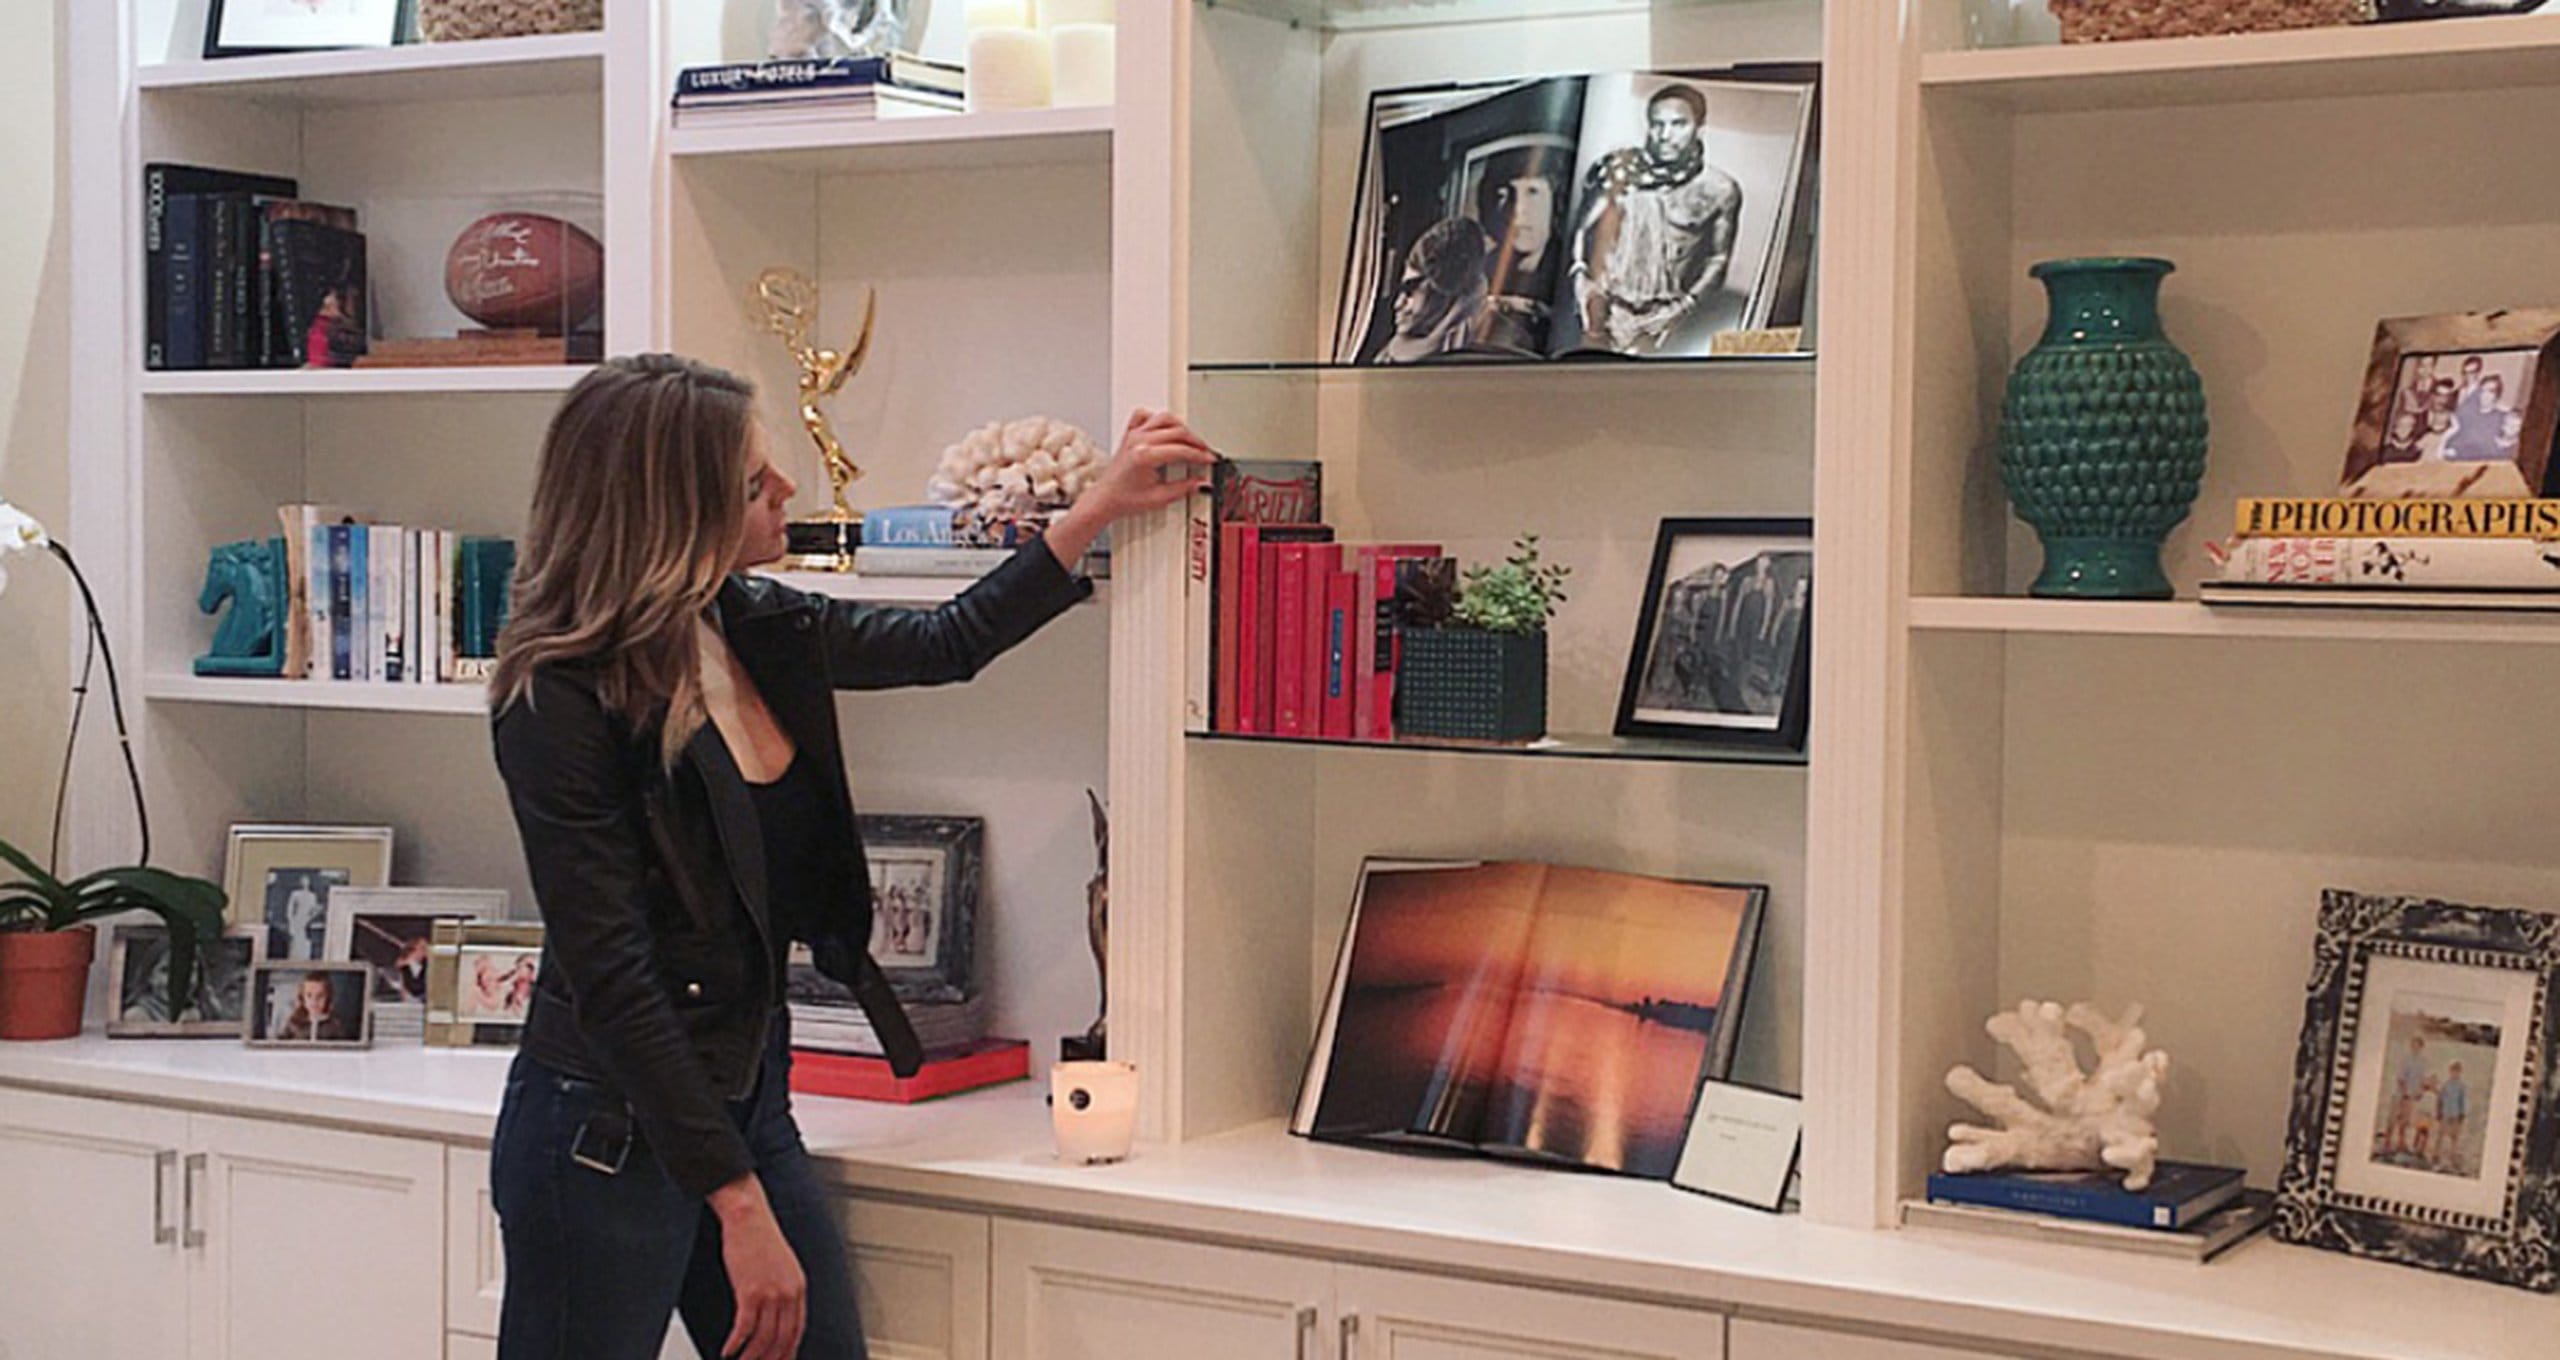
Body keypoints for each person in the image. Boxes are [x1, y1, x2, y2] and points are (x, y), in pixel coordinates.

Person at [486, 354, 1209, 1360]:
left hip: (742, 1094)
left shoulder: (754, 623)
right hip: (602, 1133)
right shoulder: (558, 694)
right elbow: (612, 975)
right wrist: (736, 1203)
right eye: (752, 483)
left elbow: (947, 641)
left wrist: (1096, 507)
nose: (788, 490)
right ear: (675, 511)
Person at [1570, 83, 1743, 355]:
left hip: (1668, 323)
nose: (1665, 135)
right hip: (1603, 313)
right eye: (1656, 125)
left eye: (1678, 124)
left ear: (1699, 127)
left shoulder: (1719, 190)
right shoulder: (1616, 172)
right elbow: (1582, 230)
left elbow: (1718, 259)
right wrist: (1581, 279)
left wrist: (1683, 308)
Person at [1380, 217, 1494, 364]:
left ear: (1446, 296)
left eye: (1410, 292)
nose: (1398, 304)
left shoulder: (1485, 353)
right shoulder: (1388, 355)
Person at [2443, 373, 2513, 462]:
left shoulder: (2502, 418)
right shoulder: (2466, 414)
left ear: (2497, 395)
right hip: (2461, 463)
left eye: (2490, 391)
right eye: (2482, 390)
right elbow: (2455, 438)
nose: (2485, 394)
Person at [280, 973, 356, 1043]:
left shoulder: (335, 1025)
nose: (314, 1001)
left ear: (328, 998)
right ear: (302, 997)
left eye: (320, 996)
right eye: (309, 995)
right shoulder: (294, 1023)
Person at [2387, 1035, 2428, 1158]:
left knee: (2405, 1120)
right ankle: (2387, 1142)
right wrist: (2404, 1092)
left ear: (2421, 1047)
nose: (2415, 1047)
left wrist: (2420, 1091)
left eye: (2418, 1045)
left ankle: (2401, 1143)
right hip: (2400, 1093)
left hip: (2411, 1095)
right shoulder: (2406, 1059)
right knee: (2394, 1117)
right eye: (2413, 1044)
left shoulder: (2422, 1062)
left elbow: (2421, 1079)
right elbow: (2400, 1078)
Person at [2437, 1060, 2471, 1175]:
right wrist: (2439, 1112)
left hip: (2456, 1114)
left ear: (2460, 1072)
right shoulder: (2446, 1085)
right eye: (2453, 1071)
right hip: (2446, 1113)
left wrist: (2462, 1114)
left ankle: (2452, 1157)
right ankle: (2439, 1157)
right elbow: (2440, 1099)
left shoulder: (2462, 1086)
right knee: (2441, 1135)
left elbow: (2463, 1101)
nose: (2454, 1074)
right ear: (2449, 1072)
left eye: (2457, 1071)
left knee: (2454, 1137)